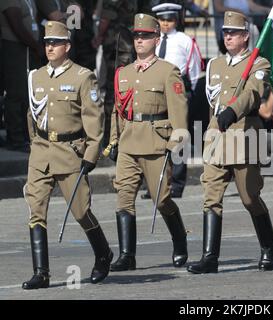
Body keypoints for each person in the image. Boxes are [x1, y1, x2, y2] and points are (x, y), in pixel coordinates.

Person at [23, 21, 112, 289]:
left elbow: (94, 118)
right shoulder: (35, 76)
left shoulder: (83, 77)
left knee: (81, 211)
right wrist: (35, 146)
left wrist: (91, 154)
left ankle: (103, 253)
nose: (49, 47)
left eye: (55, 42)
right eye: (47, 42)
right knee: (35, 210)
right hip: (41, 152)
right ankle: (41, 272)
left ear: (67, 46)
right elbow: (32, 116)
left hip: (71, 152)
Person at [187, 11, 273, 274]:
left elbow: (252, 95)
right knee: (210, 197)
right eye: (225, 32)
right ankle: (209, 257)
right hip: (217, 136)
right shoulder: (214, 64)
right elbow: (211, 104)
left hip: (245, 134)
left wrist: (232, 111)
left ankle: (268, 247)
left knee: (250, 197)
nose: (228, 36)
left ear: (246, 36)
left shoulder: (259, 64)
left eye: (234, 33)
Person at [106, 13, 189, 271]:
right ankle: (127, 256)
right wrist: (113, 142)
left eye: (145, 36)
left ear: (156, 38)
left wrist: (176, 143)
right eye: (136, 36)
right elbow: (117, 110)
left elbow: (179, 111)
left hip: (156, 142)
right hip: (129, 142)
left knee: (162, 199)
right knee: (124, 198)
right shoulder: (124, 73)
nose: (140, 40)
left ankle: (180, 240)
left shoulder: (167, 71)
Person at [140, 2, 203, 199]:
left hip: (177, 91)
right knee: (154, 136)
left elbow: (193, 67)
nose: (166, 24)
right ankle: (154, 182)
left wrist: (188, 90)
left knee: (178, 135)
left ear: (176, 20)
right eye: (162, 20)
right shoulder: (153, 40)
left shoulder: (185, 40)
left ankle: (176, 183)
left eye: (170, 20)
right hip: (155, 91)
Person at [91, 0, 137, 147]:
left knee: (113, 90)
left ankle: (110, 138)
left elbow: (106, 17)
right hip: (130, 43)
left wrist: (98, 36)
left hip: (117, 44)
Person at [0, 0, 43, 152]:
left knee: (25, 92)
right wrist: (34, 44)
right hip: (13, 45)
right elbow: (15, 23)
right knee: (16, 92)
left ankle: (25, 134)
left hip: (25, 47)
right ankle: (15, 138)